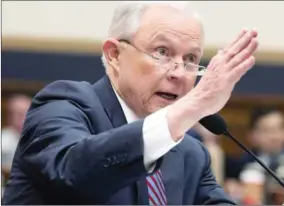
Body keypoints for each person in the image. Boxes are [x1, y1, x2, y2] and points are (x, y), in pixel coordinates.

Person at [3, 1, 259, 205]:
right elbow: (73, 174)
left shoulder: (191, 153)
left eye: (191, 58)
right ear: (114, 55)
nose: (179, 73)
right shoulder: (62, 104)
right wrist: (193, 105)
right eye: (162, 52)